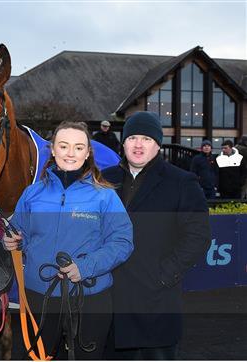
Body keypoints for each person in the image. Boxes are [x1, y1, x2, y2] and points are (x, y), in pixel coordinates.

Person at [3, 121, 133, 360]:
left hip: (89, 298)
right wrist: (12, 241)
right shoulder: (32, 193)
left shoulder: (104, 195)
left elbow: (123, 242)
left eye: (78, 147)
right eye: (63, 146)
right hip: (38, 297)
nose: (70, 153)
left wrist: (84, 267)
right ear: (52, 150)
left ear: (87, 153)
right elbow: (18, 233)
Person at [102, 111, 211, 360]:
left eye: (147, 139)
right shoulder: (104, 180)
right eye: (132, 138)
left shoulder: (182, 181)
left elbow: (198, 236)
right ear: (124, 143)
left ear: (158, 144)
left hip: (156, 303)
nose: (138, 144)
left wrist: (163, 276)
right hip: (109, 306)